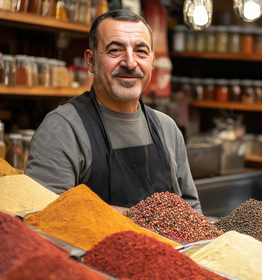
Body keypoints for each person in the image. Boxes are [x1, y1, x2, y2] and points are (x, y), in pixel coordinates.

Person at [24, 9, 202, 214]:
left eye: (141, 51)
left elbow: (192, 212)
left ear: (151, 60)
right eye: (115, 50)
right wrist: (136, 218)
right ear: (91, 61)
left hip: (169, 247)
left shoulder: (167, 128)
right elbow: (43, 217)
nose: (130, 62)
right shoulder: (62, 129)